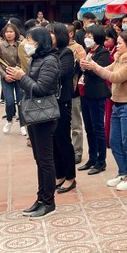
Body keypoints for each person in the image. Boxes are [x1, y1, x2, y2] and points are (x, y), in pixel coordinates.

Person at [5, 27, 61, 219]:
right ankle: (41, 198)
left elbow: (41, 88)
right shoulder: (36, 59)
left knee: (46, 160)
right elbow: (30, 85)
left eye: (30, 40)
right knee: (39, 159)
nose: (26, 43)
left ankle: (49, 202)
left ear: (40, 42)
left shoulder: (50, 60)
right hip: (34, 113)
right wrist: (19, 77)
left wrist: (23, 77)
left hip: (44, 115)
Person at [88, 30, 127, 191]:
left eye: (120, 43)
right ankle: (123, 172)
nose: (117, 45)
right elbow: (107, 69)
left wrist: (96, 67)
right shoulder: (120, 58)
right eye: (117, 42)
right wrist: (91, 66)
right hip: (118, 104)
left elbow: (115, 77)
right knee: (114, 141)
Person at [45, 23, 77, 194]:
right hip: (49, 101)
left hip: (62, 101)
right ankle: (60, 174)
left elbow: (62, 74)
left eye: (52, 33)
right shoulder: (49, 53)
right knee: (52, 140)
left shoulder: (66, 53)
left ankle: (70, 177)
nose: (50, 36)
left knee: (63, 139)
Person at [77, 25, 111, 175]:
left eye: (90, 36)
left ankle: (101, 160)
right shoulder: (88, 51)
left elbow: (100, 72)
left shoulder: (103, 53)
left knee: (98, 128)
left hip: (97, 94)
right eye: (86, 36)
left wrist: (88, 67)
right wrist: (82, 66)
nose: (87, 39)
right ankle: (92, 157)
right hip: (85, 93)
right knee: (89, 128)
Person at [0, 23, 26, 135]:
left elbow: (24, 60)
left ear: (15, 33)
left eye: (11, 32)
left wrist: (18, 69)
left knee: (21, 102)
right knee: (9, 102)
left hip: (19, 76)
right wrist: (5, 75)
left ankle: (23, 125)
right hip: (6, 77)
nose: (9, 34)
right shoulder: (0, 46)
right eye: (7, 32)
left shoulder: (20, 44)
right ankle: (9, 120)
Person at [66, 24, 87, 164]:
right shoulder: (55, 48)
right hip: (59, 92)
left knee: (76, 124)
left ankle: (77, 151)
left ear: (71, 34)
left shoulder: (78, 48)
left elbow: (83, 68)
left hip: (73, 91)